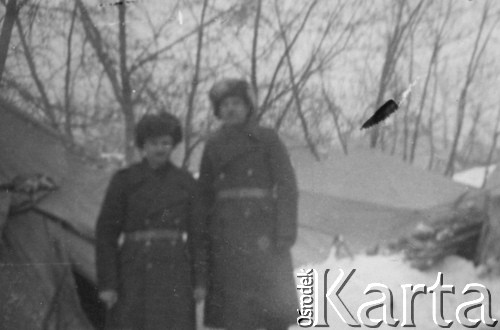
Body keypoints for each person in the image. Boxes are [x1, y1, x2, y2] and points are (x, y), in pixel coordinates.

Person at [199, 78, 299, 330]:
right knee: (234, 313)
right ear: (218, 111)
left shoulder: (267, 139)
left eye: (236, 103)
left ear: (248, 107)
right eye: (225, 105)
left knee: (271, 310)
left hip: (264, 234)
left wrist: (285, 231)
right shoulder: (212, 144)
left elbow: (287, 186)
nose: (231, 109)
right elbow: (203, 195)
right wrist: (204, 237)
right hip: (226, 236)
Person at [95, 112, 206, 330]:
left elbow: (198, 236)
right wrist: (108, 283)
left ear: (173, 145)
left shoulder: (186, 183)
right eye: (154, 143)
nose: (160, 148)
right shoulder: (124, 181)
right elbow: (106, 234)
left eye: (166, 142)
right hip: (133, 271)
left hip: (174, 273)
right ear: (142, 146)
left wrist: (200, 280)